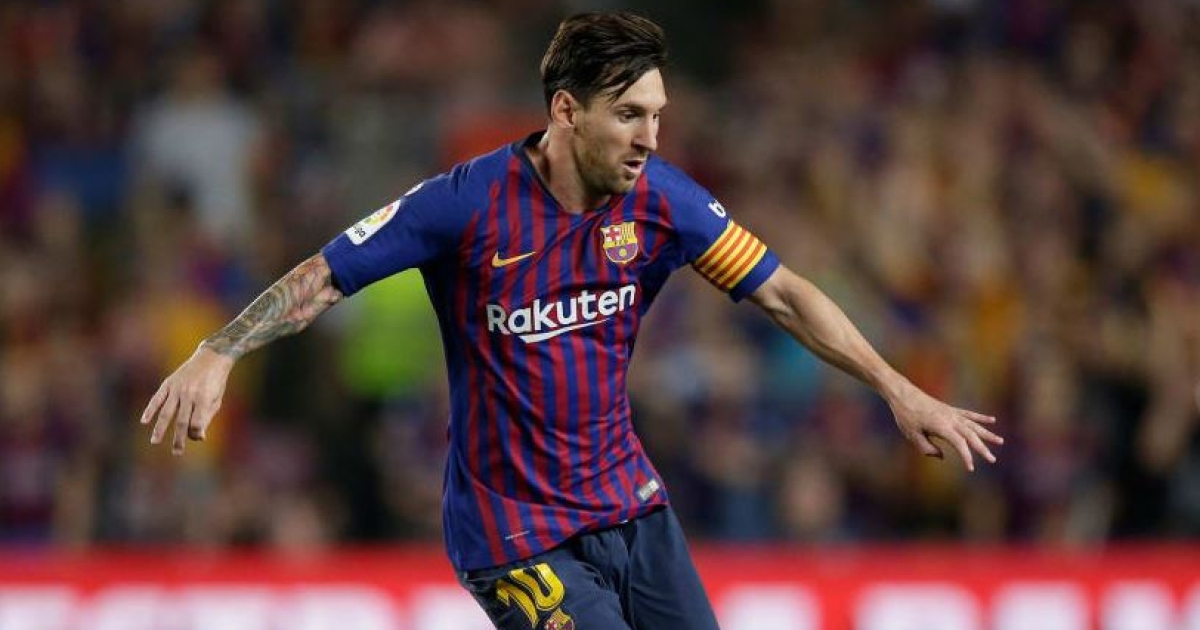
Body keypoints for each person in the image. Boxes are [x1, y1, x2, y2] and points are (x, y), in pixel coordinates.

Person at [140, 12, 1002, 629]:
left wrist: (898, 388)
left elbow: (785, 292)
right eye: (629, 115)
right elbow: (326, 274)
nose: (650, 138)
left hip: (631, 507)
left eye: (657, 116)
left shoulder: (664, 202)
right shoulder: (463, 204)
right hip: (514, 535)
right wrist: (219, 349)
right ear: (565, 111)